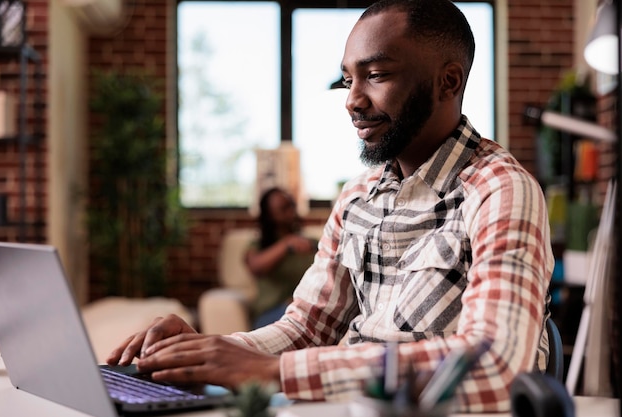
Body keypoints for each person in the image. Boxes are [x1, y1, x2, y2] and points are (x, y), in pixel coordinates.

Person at [107, 0, 554, 412]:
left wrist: (270, 372)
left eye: (376, 75)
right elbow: (306, 329)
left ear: (448, 81)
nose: (352, 101)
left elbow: (498, 363)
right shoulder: (356, 196)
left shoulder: (501, 189)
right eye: (348, 79)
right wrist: (210, 352)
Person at [244, 187, 318, 329]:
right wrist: (286, 244)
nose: (291, 211)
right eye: (283, 208)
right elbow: (256, 267)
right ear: (269, 214)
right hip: (271, 313)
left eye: (291, 205)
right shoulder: (258, 245)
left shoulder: (311, 243)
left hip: (305, 309)